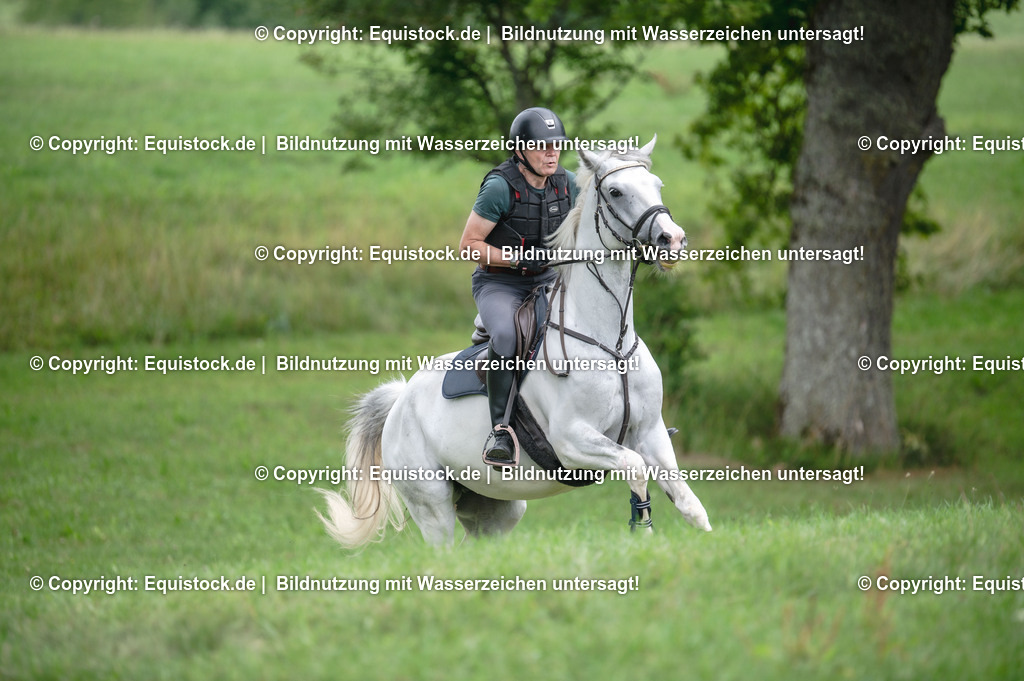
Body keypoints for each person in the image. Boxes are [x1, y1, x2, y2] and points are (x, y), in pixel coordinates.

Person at [459, 107, 579, 466]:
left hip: (548, 279)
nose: (551, 153)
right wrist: (515, 259)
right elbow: (469, 245)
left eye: (556, 145)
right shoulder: (500, 187)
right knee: (509, 339)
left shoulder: (568, 183)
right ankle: (500, 431)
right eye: (542, 146)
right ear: (521, 150)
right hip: (501, 283)